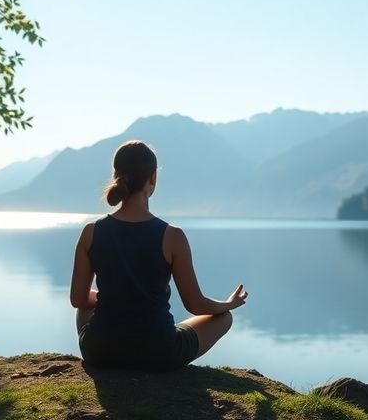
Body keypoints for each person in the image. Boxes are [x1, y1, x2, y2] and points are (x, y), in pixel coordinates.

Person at [70, 140, 248, 370]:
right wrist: (228, 304)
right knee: (224, 318)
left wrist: (109, 296)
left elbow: (78, 300)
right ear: (152, 178)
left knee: (84, 307)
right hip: (159, 353)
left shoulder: (91, 231)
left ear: (116, 175)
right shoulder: (172, 236)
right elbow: (195, 304)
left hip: (100, 352)